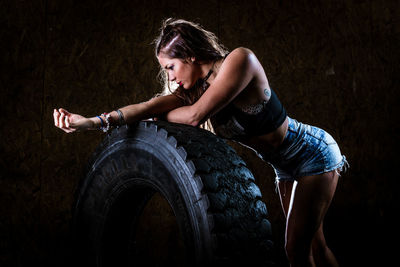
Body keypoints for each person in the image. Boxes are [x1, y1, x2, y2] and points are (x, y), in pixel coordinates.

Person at [53, 18, 348, 266]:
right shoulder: (196, 89)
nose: (169, 76)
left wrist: (162, 112)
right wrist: (90, 122)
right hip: (284, 167)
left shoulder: (240, 60)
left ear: (190, 55)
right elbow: (144, 108)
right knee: (315, 248)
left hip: (312, 152)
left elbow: (194, 116)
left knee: (296, 250)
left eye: (170, 67)